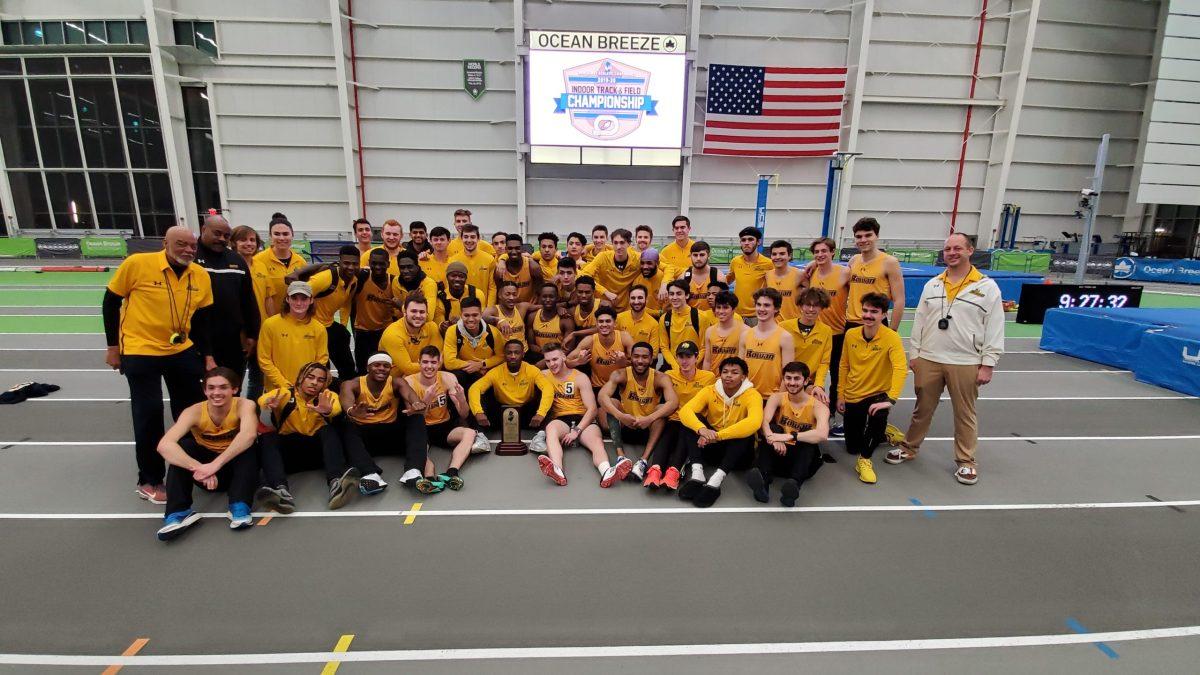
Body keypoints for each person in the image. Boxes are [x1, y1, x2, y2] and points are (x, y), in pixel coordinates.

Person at [104, 225, 215, 504]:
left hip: (181, 349)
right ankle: (150, 478)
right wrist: (113, 347)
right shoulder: (137, 264)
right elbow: (110, 303)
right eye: (181, 244)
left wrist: (208, 356)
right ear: (165, 242)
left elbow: (202, 321)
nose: (188, 250)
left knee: (191, 413)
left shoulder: (200, 275)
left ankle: (193, 466)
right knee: (148, 414)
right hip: (141, 350)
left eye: (192, 246)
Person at [887, 233, 1004, 485]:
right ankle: (909, 447)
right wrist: (915, 354)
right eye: (948, 249)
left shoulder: (986, 287)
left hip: (966, 360)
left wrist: (988, 363)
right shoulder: (933, 285)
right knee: (922, 409)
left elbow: (995, 326)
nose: (952, 252)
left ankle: (966, 461)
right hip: (929, 358)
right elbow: (919, 321)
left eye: (957, 248)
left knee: (965, 413)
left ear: (970, 251)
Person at [154, 367, 259, 540]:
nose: (216, 392)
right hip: (206, 475)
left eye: (223, 387)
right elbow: (164, 445)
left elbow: (249, 434)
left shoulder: (245, 405)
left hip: (235, 470)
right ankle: (178, 513)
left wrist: (215, 465)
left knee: (248, 447)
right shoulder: (193, 412)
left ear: (235, 389)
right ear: (204, 390)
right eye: (211, 388)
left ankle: (239, 505)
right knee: (184, 446)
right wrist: (200, 468)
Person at [256, 362, 369, 512]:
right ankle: (280, 490)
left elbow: (335, 409)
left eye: (320, 380)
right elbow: (263, 399)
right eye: (310, 377)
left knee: (329, 431)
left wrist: (327, 410)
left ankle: (336, 483)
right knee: (268, 438)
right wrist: (268, 402)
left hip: (319, 455)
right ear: (301, 378)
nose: (315, 382)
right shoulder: (285, 394)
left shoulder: (328, 396)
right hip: (290, 456)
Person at [339, 352, 440, 494]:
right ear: (368, 368)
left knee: (416, 419)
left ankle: (413, 471)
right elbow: (346, 401)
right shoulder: (352, 384)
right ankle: (370, 475)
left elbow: (410, 394)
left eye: (386, 366)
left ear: (390, 369)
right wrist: (351, 411)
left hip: (390, 435)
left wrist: (417, 403)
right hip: (365, 438)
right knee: (347, 426)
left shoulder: (396, 382)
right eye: (377, 365)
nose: (381, 368)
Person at [535, 343, 633, 487]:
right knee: (551, 430)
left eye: (555, 359)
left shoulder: (580, 377)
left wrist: (577, 431)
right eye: (548, 361)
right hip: (561, 419)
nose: (551, 364)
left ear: (563, 357)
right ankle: (557, 470)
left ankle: (606, 472)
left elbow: (592, 409)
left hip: (583, 419)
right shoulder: (543, 375)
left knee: (596, 442)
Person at [838, 292, 907, 485]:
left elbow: (901, 369)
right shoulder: (851, 334)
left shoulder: (891, 338)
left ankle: (865, 460)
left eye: (874, 312)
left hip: (878, 394)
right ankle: (883, 433)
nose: (868, 315)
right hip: (854, 393)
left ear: (884, 315)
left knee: (877, 417)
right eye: (865, 310)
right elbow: (844, 365)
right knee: (852, 447)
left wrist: (890, 399)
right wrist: (841, 395)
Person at [678, 357, 763, 508]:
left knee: (745, 432)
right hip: (711, 450)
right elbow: (685, 411)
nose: (728, 375)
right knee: (691, 422)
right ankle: (698, 474)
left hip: (739, 456)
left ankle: (716, 481)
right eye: (725, 372)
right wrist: (702, 429)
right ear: (720, 374)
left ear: (743, 377)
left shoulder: (753, 395)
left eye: (734, 372)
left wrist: (717, 436)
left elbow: (754, 422)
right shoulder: (710, 391)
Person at [747, 362, 829, 507]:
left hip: (802, 462)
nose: (792, 383)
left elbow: (822, 434)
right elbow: (763, 422)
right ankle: (763, 483)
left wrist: (791, 436)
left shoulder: (818, 406)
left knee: (809, 441)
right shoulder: (777, 397)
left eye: (796, 379)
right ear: (784, 379)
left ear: (806, 381)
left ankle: (792, 489)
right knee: (773, 428)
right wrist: (772, 438)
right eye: (788, 378)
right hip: (780, 453)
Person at [406, 346, 485, 490]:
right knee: (417, 448)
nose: (429, 366)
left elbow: (464, 414)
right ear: (419, 363)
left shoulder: (448, 378)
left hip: (444, 425)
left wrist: (462, 399)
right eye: (425, 362)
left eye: (433, 362)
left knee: (470, 433)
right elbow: (415, 419)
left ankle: (452, 472)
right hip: (421, 426)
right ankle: (429, 478)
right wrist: (426, 402)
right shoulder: (409, 382)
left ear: (439, 363)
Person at [597, 342, 678, 481]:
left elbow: (674, 402)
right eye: (636, 356)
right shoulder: (620, 374)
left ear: (652, 359)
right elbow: (601, 396)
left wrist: (649, 419)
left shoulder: (660, 377)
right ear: (630, 357)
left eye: (645, 357)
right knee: (610, 404)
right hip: (625, 425)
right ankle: (620, 456)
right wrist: (621, 416)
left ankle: (643, 461)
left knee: (661, 411)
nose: (640, 361)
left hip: (648, 429)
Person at [194, 214, 261, 379]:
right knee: (199, 392)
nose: (221, 239)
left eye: (226, 236)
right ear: (204, 230)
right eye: (217, 234)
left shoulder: (236, 260)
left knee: (232, 387)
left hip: (232, 341)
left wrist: (252, 333)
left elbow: (248, 300)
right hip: (196, 341)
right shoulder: (191, 257)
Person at [645, 341, 715, 490]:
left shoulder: (708, 377)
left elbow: (712, 404)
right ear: (676, 358)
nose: (684, 361)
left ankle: (674, 471)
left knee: (684, 439)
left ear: (696, 357)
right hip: (675, 419)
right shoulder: (669, 375)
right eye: (681, 356)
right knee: (667, 437)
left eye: (688, 356)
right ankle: (655, 470)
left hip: (694, 422)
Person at [799, 237, 849, 434]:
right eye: (816, 252)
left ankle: (836, 416)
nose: (820, 255)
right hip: (815, 333)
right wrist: (812, 264)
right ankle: (807, 411)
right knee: (810, 373)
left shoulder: (844, 272)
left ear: (833, 253)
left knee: (838, 377)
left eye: (824, 251)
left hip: (837, 333)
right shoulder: (811, 274)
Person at [291, 245, 360, 381]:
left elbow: (346, 305)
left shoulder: (353, 282)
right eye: (346, 263)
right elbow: (298, 296)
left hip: (328, 326)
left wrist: (343, 325)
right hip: (311, 328)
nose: (351, 267)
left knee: (348, 368)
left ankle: (345, 395)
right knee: (321, 370)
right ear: (339, 261)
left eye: (355, 263)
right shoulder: (325, 278)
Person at [258, 281, 329, 391]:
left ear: (311, 300)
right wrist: (282, 383)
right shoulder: (270, 324)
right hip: (278, 390)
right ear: (287, 299)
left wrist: (305, 382)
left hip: (306, 390)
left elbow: (321, 359)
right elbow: (264, 359)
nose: (299, 303)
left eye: (304, 298)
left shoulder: (319, 328)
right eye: (294, 298)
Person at [469, 339, 553, 433]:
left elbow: (547, 388)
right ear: (505, 355)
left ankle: (542, 435)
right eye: (509, 353)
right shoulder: (495, 371)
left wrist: (541, 414)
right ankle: (480, 435)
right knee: (480, 398)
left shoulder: (532, 370)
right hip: (502, 412)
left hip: (527, 413)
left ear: (523, 355)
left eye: (517, 353)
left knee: (546, 397)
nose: (513, 356)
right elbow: (475, 388)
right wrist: (478, 412)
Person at [845, 217, 905, 328]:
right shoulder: (853, 260)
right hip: (851, 323)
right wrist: (815, 263)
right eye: (859, 237)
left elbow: (899, 300)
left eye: (868, 235)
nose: (863, 240)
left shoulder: (890, 262)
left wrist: (892, 331)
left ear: (877, 236)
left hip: (876, 323)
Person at [351, 248, 399, 375]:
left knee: (387, 368)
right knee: (363, 370)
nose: (377, 267)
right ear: (369, 263)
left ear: (388, 264)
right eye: (374, 263)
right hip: (363, 332)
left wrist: (400, 305)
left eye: (381, 263)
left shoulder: (394, 281)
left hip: (385, 332)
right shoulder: (362, 278)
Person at [740, 288, 795, 398]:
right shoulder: (745, 335)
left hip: (772, 397)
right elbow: (740, 371)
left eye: (767, 305)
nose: (761, 309)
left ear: (776, 309)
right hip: (748, 396)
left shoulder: (785, 337)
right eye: (759, 304)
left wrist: (778, 400)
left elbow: (788, 375)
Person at [442, 296, 504, 392]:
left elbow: (501, 356)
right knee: (455, 376)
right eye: (466, 315)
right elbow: (449, 362)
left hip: (486, 372)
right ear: (461, 314)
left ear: (481, 314)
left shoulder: (493, 332)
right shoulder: (452, 331)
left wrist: (482, 364)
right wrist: (475, 366)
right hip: (465, 372)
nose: (471, 319)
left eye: (475, 315)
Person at [253, 213, 307, 318]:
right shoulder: (258, 261)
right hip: (268, 321)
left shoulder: (301, 262)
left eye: (286, 234)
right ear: (270, 236)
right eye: (277, 234)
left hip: (294, 320)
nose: (281, 238)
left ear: (292, 235)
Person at [567, 306, 632, 389]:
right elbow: (567, 361)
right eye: (601, 321)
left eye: (608, 321)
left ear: (615, 323)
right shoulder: (589, 340)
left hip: (621, 386)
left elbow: (638, 364)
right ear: (596, 324)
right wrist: (578, 362)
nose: (604, 324)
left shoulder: (624, 337)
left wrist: (624, 363)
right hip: (598, 387)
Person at [659, 280, 715, 371]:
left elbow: (704, 347)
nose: (674, 297)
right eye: (671, 294)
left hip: (696, 369)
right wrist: (676, 366)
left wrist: (692, 364)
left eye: (679, 294)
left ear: (687, 295)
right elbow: (664, 347)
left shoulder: (701, 317)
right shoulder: (664, 319)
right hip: (675, 369)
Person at [379, 294, 441, 376]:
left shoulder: (432, 327)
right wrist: (433, 365)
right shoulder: (392, 334)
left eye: (422, 312)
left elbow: (438, 357)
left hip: (425, 373)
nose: (418, 316)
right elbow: (408, 369)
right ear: (404, 312)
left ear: (427, 313)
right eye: (413, 311)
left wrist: (433, 366)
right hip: (395, 379)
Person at [582, 228, 642, 311]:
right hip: (605, 305)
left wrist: (664, 285)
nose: (618, 247)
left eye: (622, 243)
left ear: (628, 244)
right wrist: (605, 292)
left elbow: (664, 266)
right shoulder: (603, 257)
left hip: (627, 307)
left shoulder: (638, 258)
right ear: (612, 243)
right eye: (615, 243)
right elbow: (584, 275)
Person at [727, 227, 774, 322]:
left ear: (758, 242)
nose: (746, 243)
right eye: (743, 240)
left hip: (757, 315)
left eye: (750, 239)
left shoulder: (768, 263)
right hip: (736, 314)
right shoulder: (735, 261)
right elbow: (727, 280)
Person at [527, 283, 573, 366]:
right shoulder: (532, 317)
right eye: (544, 296)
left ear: (557, 298)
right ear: (540, 298)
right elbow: (531, 345)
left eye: (551, 296)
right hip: (538, 356)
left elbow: (568, 349)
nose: (548, 299)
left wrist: (547, 361)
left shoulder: (565, 319)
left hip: (559, 359)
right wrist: (544, 356)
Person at [449, 223, 497, 305]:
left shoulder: (489, 259)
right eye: (466, 237)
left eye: (472, 237)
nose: (469, 240)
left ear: (478, 238)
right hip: (462, 309)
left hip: (483, 308)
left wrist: (489, 308)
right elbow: (451, 288)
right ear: (461, 239)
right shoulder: (453, 261)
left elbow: (492, 287)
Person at [702, 290, 745, 376]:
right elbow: (707, 360)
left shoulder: (745, 331)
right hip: (714, 380)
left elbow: (744, 362)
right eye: (718, 307)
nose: (721, 311)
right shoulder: (709, 331)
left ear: (734, 309)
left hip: (734, 381)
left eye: (725, 307)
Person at [432, 261, 482, 332]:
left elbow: (481, 318)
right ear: (447, 277)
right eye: (453, 275)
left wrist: (461, 322)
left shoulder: (477, 294)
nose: (457, 279)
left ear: (466, 278)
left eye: (461, 276)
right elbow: (439, 323)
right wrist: (443, 326)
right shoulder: (441, 298)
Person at [484, 280, 530, 351]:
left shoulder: (521, 307)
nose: (511, 298)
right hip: (504, 354)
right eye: (507, 294)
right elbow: (482, 316)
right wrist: (498, 320)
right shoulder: (495, 310)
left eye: (514, 294)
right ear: (499, 295)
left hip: (524, 352)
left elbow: (545, 307)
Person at [496, 233, 543, 303]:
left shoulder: (532, 266)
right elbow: (498, 292)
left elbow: (540, 288)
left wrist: (536, 298)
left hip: (529, 308)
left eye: (517, 248)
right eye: (510, 248)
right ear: (506, 249)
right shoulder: (500, 268)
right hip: (508, 310)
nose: (514, 252)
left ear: (522, 248)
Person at [677, 241, 723, 311]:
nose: (698, 258)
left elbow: (725, 304)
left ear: (709, 255)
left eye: (702, 255)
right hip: (690, 320)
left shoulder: (718, 277)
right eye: (695, 255)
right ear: (690, 256)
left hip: (712, 320)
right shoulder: (683, 278)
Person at [617, 285, 660, 356]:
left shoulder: (654, 324)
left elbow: (654, 354)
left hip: (642, 364)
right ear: (629, 300)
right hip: (621, 361)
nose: (636, 301)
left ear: (646, 299)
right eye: (633, 298)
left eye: (640, 298)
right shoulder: (619, 318)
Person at [766, 240, 802, 321]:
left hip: (793, 325)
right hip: (773, 326)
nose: (777, 257)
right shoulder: (767, 275)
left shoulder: (800, 275)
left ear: (789, 256)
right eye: (774, 254)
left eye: (782, 254)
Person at [564, 275, 601, 350]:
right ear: (576, 292)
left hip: (600, 347)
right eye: (580, 292)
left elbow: (602, 328)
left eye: (587, 292)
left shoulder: (603, 306)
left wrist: (575, 333)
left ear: (593, 292)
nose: (583, 295)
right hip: (580, 350)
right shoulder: (572, 311)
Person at [635, 247, 668, 316]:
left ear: (658, 263)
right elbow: (635, 305)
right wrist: (658, 313)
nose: (645, 267)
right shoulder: (637, 280)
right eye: (642, 263)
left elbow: (668, 308)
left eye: (649, 263)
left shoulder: (665, 279)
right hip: (643, 318)